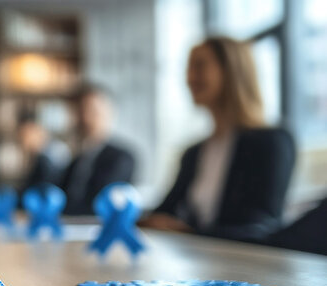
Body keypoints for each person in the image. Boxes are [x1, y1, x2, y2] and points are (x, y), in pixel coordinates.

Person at [139, 37, 296, 241]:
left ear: (232, 71)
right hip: (199, 264)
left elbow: (259, 227)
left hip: (242, 268)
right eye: (188, 67)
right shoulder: (194, 152)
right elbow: (164, 212)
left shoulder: (271, 142)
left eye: (200, 66)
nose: (189, 77)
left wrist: (189, 234)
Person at [59, 84, 136, 215]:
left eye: (93, 111)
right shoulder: (77, 161)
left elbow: (100, 205)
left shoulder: (121, 158)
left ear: (109, 114)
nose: (86, 118)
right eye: (81, 112)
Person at [18, 104, 69, 191]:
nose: (23, 142)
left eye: (25, 136)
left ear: (36, 131)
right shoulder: (39, 155)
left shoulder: (52, 154)